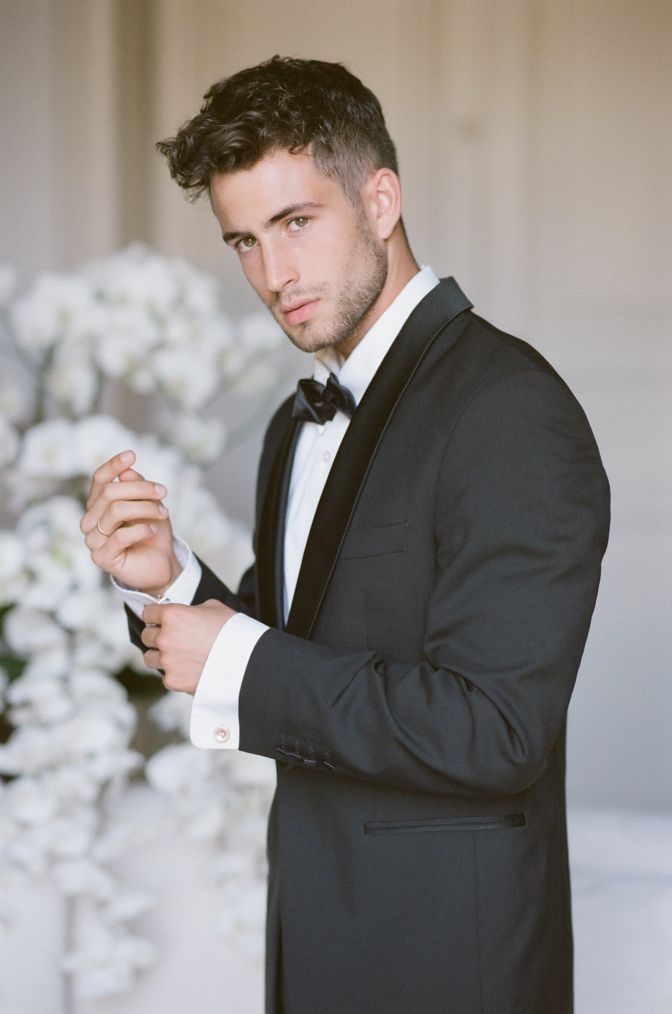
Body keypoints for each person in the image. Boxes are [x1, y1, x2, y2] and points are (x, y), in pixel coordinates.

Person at [81, 56, 610, 1014]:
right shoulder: (299, 424)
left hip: (454, 969)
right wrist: (168, 585)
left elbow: (498, 730)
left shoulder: (510, 409)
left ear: (380, 197)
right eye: (243, 241)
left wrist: (237, 657)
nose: (271, 274)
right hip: (319, 945)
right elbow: (302, 658)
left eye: (295, 223)